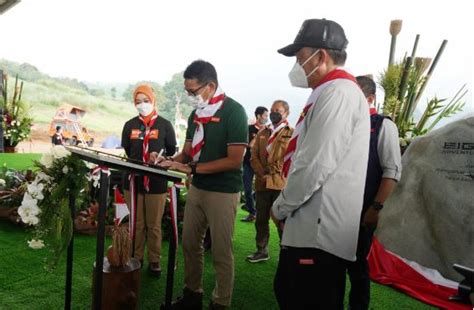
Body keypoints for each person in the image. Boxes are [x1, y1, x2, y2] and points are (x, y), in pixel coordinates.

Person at [271, 19, 370, 309]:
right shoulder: (329, 91)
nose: (297, 67)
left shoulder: (338, 93)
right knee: (288, 292)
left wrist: (281, 206)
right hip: (311, 228)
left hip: (319, 233)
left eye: (301, 59)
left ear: (321, 57)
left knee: (305, 299)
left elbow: (315, 163)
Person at [158, 60, 248, 309]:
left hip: (223, 191)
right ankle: (192, 294)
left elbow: (234, 160)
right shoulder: (196, 114)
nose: (190, 97)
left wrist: (191, 168)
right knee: (189, 243)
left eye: (193, 92)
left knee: (221, 251)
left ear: (211, 86)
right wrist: (168, 161)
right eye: (187, 92)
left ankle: (221, 302)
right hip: (198, 187)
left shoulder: (234, 112)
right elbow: (187, 152)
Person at [346, 76, 402, 310]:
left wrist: (375, 208)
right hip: (338, 208)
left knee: (358, 267)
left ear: (369, 99)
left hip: (364, 210)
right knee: (335, 266)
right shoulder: (344, 124)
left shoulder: (382, 125)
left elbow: (392, 172)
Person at [121, 84, 177, 278]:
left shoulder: (165, 124)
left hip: (156, 182)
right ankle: (136, 257)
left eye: (145, 101)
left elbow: (171, 151)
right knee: (137, 223)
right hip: (133, 181)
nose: (142, 104)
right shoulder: (130, 125)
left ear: (153, 101)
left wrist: (158, 157)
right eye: (138, 101)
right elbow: (128, 149)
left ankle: (154, 260)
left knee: (153, 224)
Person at [247, 100, 293, 263]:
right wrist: (261, 172)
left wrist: (271, 171)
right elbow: (254, 156)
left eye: (278, 110)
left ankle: (286, 252)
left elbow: (290, 158)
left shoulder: (291, 133)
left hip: (280, 183)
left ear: (286, 113)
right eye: (272, 110)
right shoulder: (263, 132)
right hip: (261, 182)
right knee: (261, 218)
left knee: (282, 220)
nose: (274, 113)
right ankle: (261, 250)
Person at [241, 106, 269, 222]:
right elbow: (248, 145)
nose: (267, 118)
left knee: (260, 188)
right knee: (247, 189)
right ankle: (252, 213)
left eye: (267, 116)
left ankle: (253, 208)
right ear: (258, 116)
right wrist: (258, 136)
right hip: (248, 163)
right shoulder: (249, 129)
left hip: (261, 165)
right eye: (265, 116)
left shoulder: (269, 130)